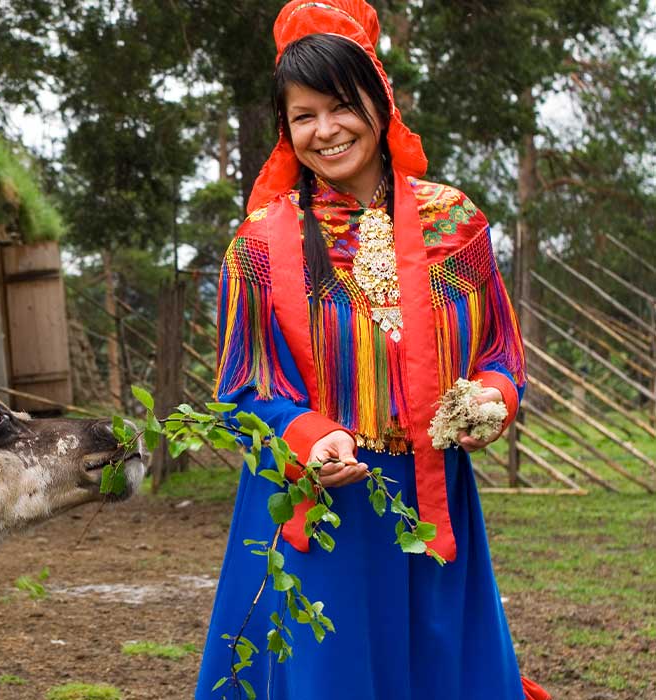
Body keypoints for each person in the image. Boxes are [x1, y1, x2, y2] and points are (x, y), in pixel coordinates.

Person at [194, 2, 549, 699]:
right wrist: (308, 437)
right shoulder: (259, 247)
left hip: (430, 502)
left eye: (340, 105)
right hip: (316, 514)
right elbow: (240, 390)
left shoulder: (455, 224)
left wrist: (490, 396)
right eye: (302, 115)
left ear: (378, 103)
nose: (324, 130)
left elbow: (501, 353)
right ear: (283, 128)